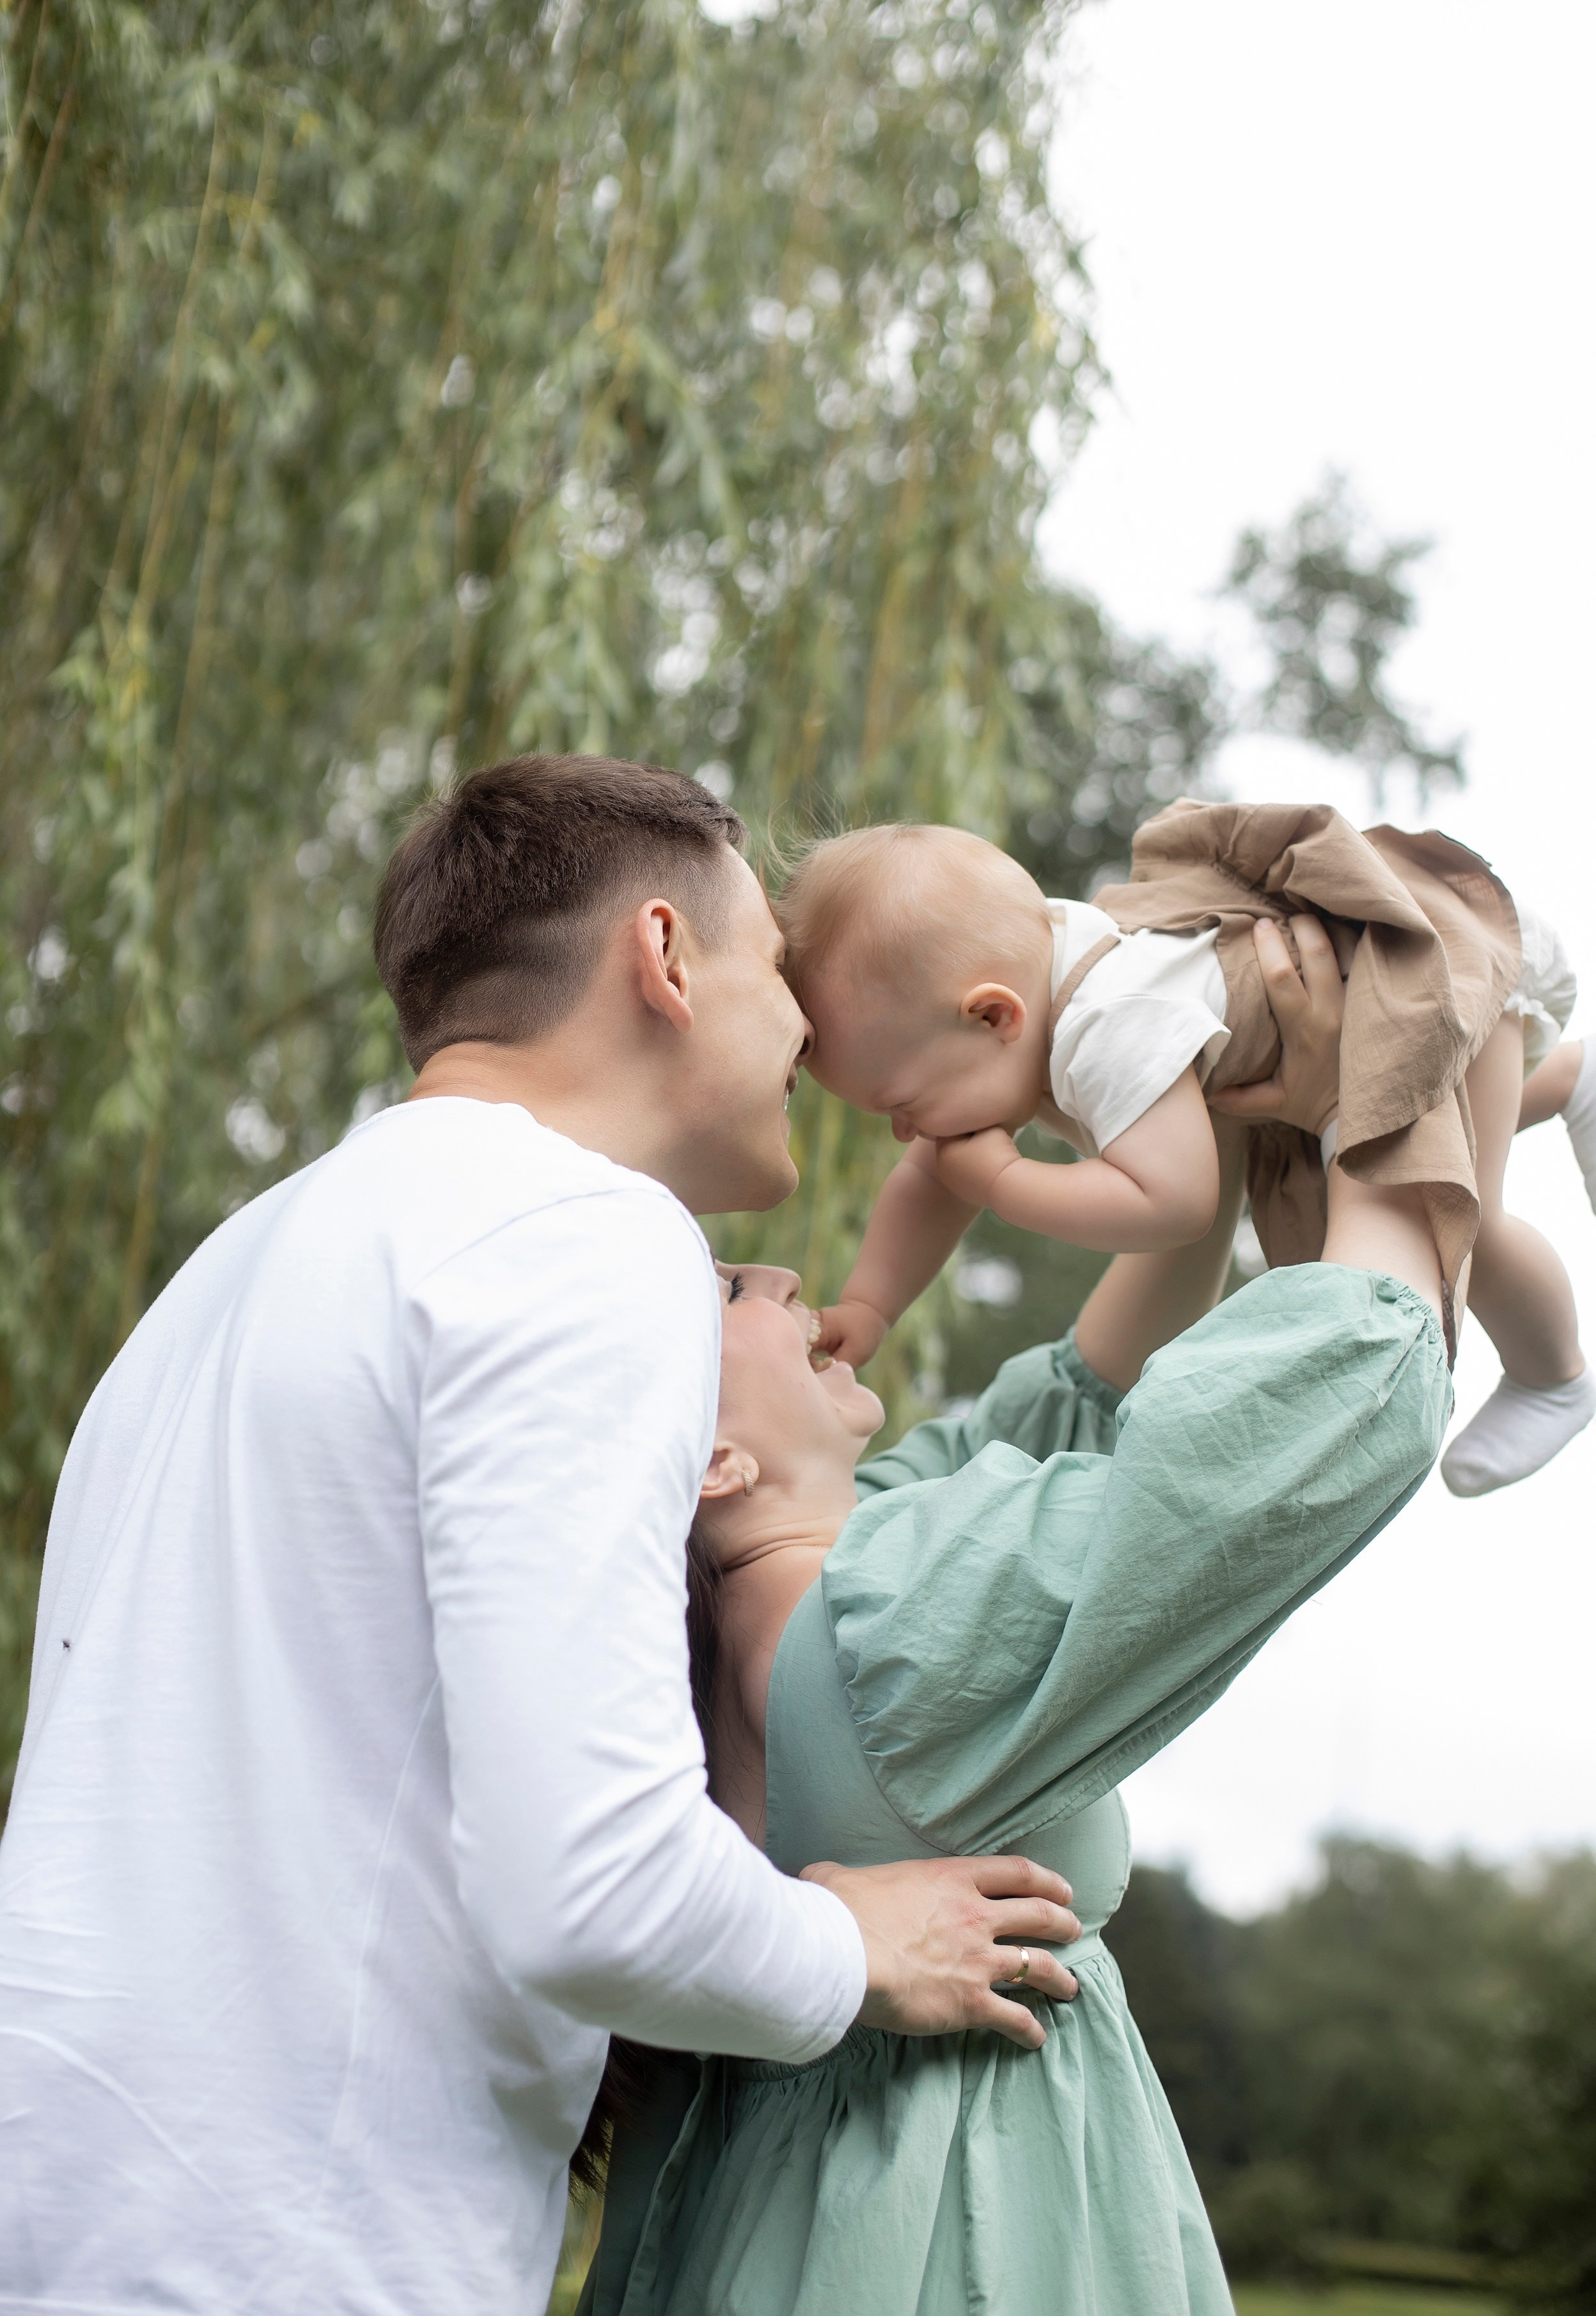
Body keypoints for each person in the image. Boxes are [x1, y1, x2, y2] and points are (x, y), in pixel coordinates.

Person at [0, 757, 1081, 2315]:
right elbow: (594, 1885)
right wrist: (854, 1944)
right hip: (294, 2253)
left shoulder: (234, 1268)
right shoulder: (584, 1233)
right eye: (779, 965)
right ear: (665, 955)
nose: (808, 1024)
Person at [577, 918, 1453, 2316]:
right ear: (713, 1461)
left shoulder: (796, 1589)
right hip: (958, 2241)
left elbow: (1084, 1394)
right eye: (732, 1288)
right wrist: (1387, 1083)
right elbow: (1326, 1403)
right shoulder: (883, 1624)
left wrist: (1153, 1077)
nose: (787, 1277)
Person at [778, 804, 1594, 1497]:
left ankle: (1553, 1377)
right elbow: (930, 1183)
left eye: (902, 1106)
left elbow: (1175, 1201)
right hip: (1351, 1015)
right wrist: (872, 1306)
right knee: (1408, 1134)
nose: (907, 1134)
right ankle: (1567, 1077)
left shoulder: (1107, 1026)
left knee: (1453, 1208)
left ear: (994, 1017)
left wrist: (1006, 1181)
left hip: (1420, 974)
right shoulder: (1020, 997)